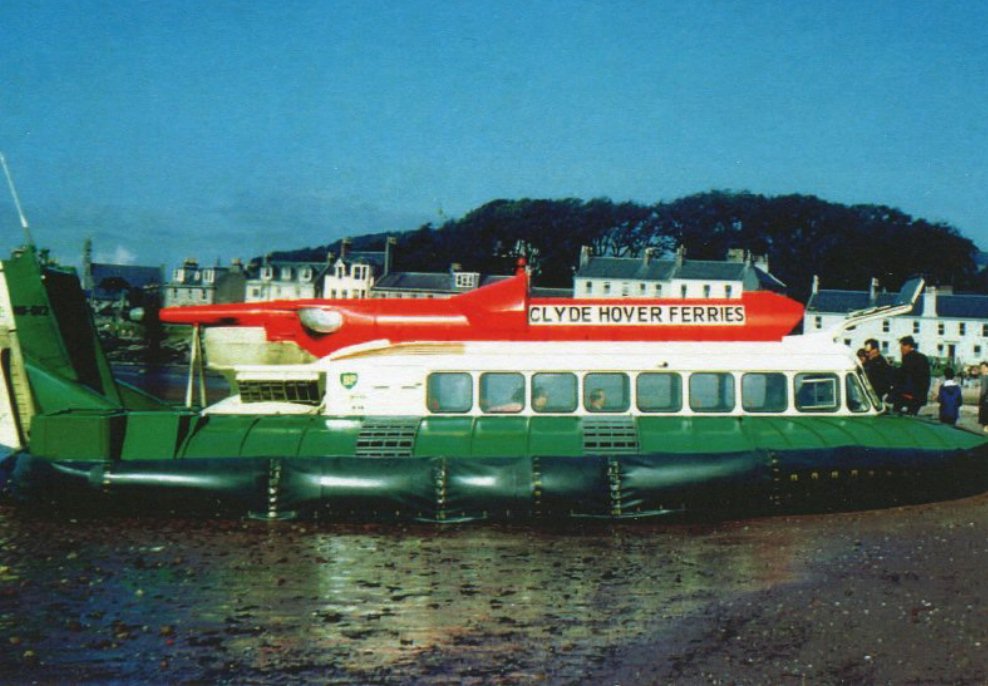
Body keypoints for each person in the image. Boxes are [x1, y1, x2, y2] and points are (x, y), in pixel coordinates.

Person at [890, 335, 930, 415]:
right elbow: (926, 378)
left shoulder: (908, 358)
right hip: (920, 395)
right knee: (912, 415)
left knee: (896, 413)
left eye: (902, 348)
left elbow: (904, 376)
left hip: (908, 395)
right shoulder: (923, 358)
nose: (901, 350)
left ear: (907, 346)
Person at [979, 362, 988, 432]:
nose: (982, 370)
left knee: (985, 425)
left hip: (985, 403)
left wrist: (980, 402)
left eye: (983, 368)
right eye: (981, 368)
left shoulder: (985, 377)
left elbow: (983, 392)